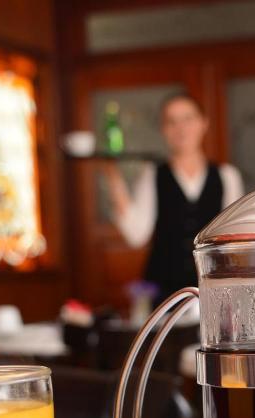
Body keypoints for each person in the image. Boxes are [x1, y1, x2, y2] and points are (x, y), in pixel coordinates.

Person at [103, 93, 244, 299]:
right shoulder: (153, 175)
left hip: (213, 289)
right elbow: (136, 235)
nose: (181, 128)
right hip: (163, 292)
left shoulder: (227, 176)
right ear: (163, 129)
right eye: (171, 121)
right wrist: (112, 175)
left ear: (203, 123)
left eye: (188, 119)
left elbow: (233, 241)